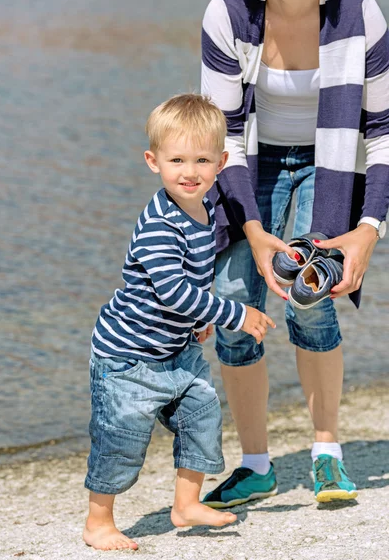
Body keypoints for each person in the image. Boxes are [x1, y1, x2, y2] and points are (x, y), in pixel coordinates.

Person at [200, 0, 388, 506]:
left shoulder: (360, 13)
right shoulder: (227, 11)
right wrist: (254, 231)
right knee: (233, 300)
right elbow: (223, 132)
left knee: (311, 296)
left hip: (331, 164)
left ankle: (327, 453)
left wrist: (367, 231)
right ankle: (256, 465)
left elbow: (382, 131)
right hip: (244, 161)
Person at [82, 93, 276, 551]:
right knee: (121, 437)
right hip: (126, 357)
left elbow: (194, 278)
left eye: (202, 160)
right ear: (153, 161)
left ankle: (185, 503)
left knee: (202, 413)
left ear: (221, 163)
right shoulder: (158, 226)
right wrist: (234, 314)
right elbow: (172, 291)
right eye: (177, 160)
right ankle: (98, 521)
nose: (189, 172)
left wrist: (197, 322)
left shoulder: (204, 211)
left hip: (175, 348)